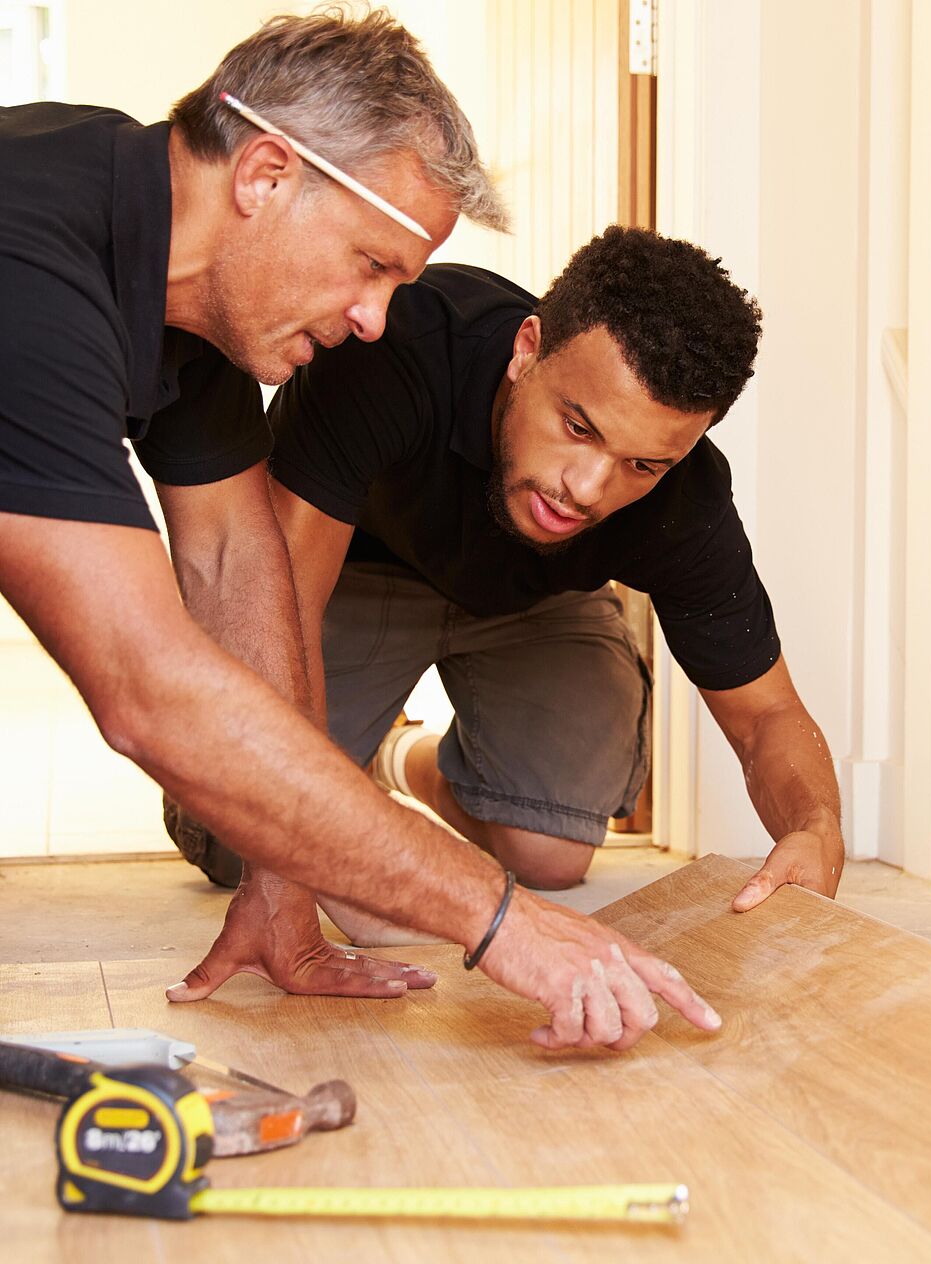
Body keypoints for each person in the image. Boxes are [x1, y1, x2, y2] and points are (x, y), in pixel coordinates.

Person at [0, 9, 720, 1052]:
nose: (376, 321)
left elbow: (235, 559)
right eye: (370, 263)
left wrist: (281, 877)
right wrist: (497, 914)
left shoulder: (181, 287)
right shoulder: (29, 266)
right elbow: (151, 690)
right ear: (266, 175)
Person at [177, 228, 846, 952]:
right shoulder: (395, 350)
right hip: (358, 574)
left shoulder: (686, 501)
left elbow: (766, 715)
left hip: (538, 601)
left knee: (548, 855)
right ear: (527, 348)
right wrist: (346, 860)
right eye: (576, 426)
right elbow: (280, 612)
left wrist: (815, 830)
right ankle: (340, 779)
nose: (586, 489)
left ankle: (398, 758)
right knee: (235, 839)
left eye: (642, 465)